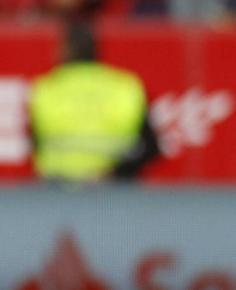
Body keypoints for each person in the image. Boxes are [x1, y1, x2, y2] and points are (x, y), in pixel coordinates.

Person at [30, 22, 160, 181]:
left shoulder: (47, 88)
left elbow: (35, 143)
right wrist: (114, 172)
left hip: (59, 186)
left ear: (68, 50)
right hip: (115, 189)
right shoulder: (125, 87)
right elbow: (151, 147)